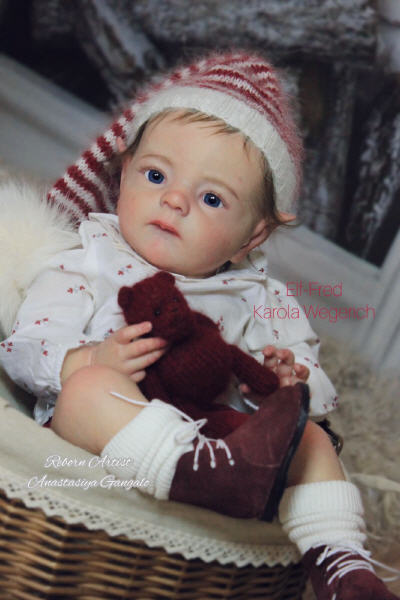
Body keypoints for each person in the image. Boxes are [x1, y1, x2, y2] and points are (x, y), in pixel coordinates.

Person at [0, 51, 398, 599]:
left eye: (211, 198)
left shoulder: (262, 297)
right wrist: (88, 360)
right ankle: (193, 473)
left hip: (223, 445)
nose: (174, 200)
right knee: (88, 390)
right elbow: (25, 346)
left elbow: (316, 391)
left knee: (308, 439)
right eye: (156, 175)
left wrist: (290, 379)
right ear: (123, 173)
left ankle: (342, 565)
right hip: (108, 437)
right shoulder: (87, 258)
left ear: (253, 235)